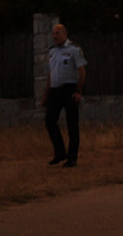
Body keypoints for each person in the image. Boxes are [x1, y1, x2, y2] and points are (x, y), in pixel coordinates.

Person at [43, 23, 87, 168]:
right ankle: (60, 152)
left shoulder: (74, 49)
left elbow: (81, 71)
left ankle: (72, 158)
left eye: (58, 33)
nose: (55, 36)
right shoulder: (52, 51)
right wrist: (46, 94)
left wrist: (78, 91)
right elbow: (51, 74)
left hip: (70, 89)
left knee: (72, 125)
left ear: (65, 34)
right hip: (55, 90)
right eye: (53, 33)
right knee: (50, 121)